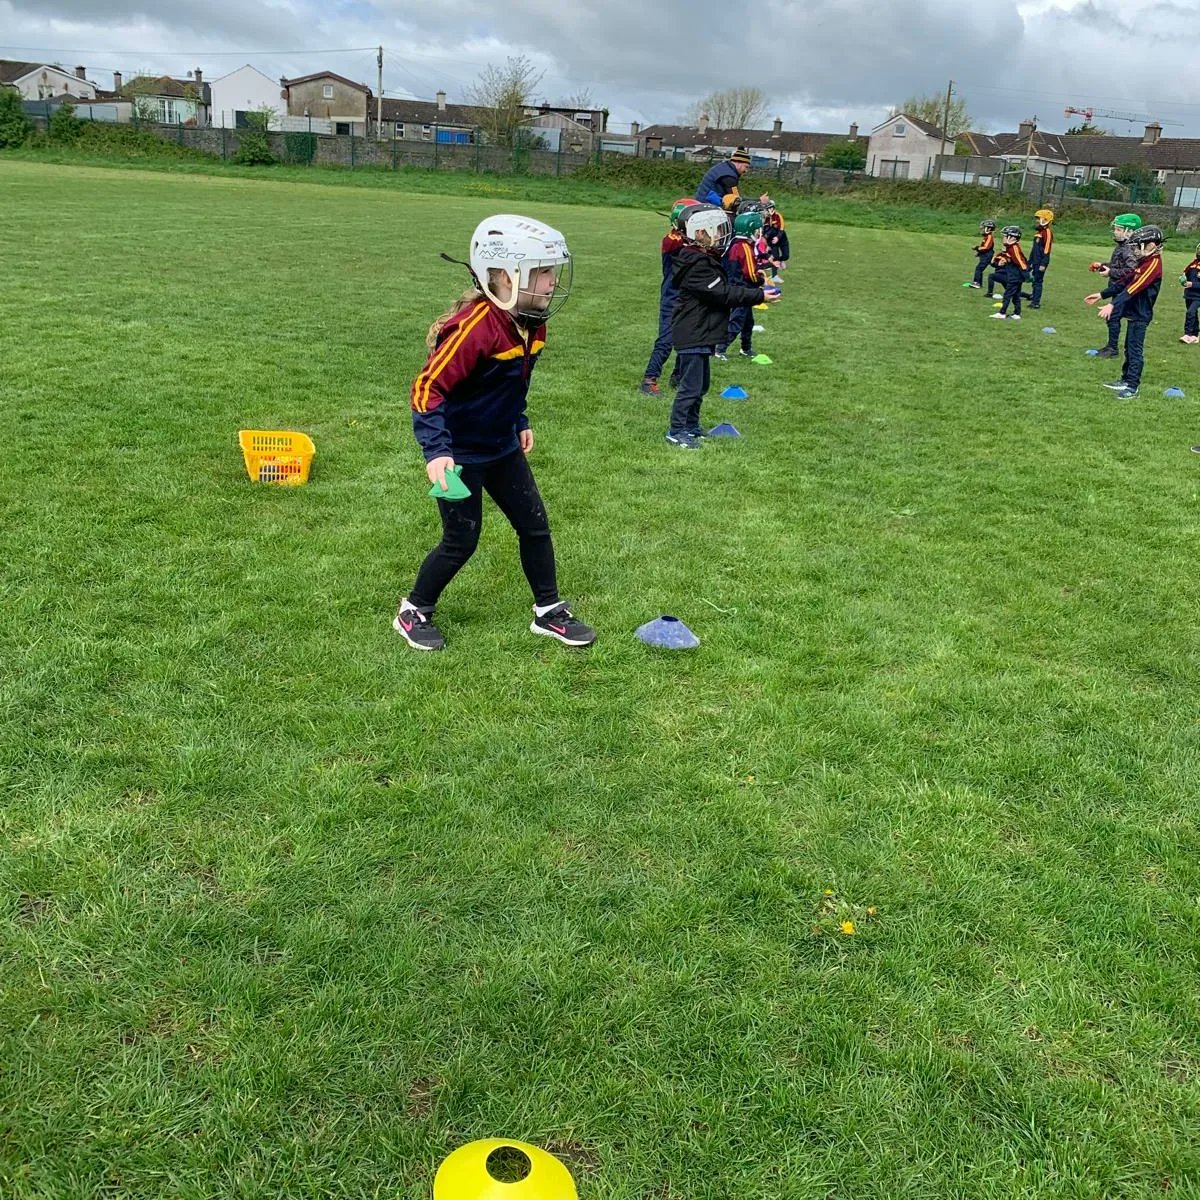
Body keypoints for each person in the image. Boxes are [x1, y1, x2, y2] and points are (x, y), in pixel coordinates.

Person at [394, 214, 596, 651]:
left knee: (535, 527)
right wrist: (436, 452)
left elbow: (512, 382)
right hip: (460, 455)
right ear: (503, 276)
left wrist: (518, 420)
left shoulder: (533, 320)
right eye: (542, 272)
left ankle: (548, 611)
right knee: (461, 540)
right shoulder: (474, 328)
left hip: (502, 448)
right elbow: (427, 390)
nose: (550, 283)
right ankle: (414, 610)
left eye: (551, 272)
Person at [666, 204, 777, 448]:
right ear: (700, 234)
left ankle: (691, 426)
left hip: (702, 332)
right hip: (693, 333)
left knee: (701, 385)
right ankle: (676, 430)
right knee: (691, 387)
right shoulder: (697, 264)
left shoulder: (705, 258)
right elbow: (723, 294)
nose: (720, 235)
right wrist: (758, 295)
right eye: (714, 231)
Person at [1086, 224, 1164, 400]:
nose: (1135, 250)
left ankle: (1133, 386)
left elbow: (1134, 288)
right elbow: (1125, 281)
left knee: (1135, 350)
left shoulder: (1153, 264)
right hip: (1133, 312)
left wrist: (1113, 305)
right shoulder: (1143, 263)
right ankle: (1125, 379)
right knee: (1129, 348)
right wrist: (1102, 294)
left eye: (1138, 246)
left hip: (1140, 315)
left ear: (1150, 245)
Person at [639, 198, 695, 395]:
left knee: (688, 338)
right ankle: (649, 379)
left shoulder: (688, 240)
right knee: (666, 339)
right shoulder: (673, 241)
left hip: (688, 297)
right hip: (673, 298)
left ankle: (678, 376)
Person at [1087, 213, 1142, 358]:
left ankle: (1113, 349)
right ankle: (1112, 347)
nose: (1115, 232)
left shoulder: (1129, 249)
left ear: (1129, 232)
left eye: (1118, 229)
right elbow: (1118, 265)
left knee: (1113, 316)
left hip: (1125, 290)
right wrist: (1102, 266)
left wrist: (1111, 272)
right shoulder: (1122, 247)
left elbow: (1130, 271)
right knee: (1112, 317)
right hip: (1118, 288)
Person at [716, 208, 767, 361]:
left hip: (735, 286)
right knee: (737, 320)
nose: (759, 232)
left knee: (748, 321)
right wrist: (761, 279)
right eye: (758, 229)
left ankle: (746, 348)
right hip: (742, 289)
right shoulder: (744, 247)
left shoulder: (734, 242)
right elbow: (750, 273)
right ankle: (720, 348)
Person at [694, 148, 770, 212]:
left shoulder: (725, 168)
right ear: (739, 163)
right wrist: (759, 201)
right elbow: (737, 200)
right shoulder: (729, 177)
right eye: (746, 167)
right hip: (708, 207)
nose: (746, 171)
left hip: (702, 203)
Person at [989, 226, 1029, 320]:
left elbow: (1020, 261)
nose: (1003, 238)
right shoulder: (1009, 248)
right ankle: (1017, 313)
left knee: (1008, 295)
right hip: (1015, 276)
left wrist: (1026, 274)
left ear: (1012, 238)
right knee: (1016, 295)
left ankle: (1002, 313)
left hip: (1015, 277)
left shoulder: (1014, 248)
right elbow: (1008, 258)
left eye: (1005, 236)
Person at [1024, 209, 1054, 307]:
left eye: (1038, 218)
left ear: (1045, 220)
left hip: (1040, 262)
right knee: (1033, 278)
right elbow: (1035, 250)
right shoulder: (1039, 232)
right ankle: (1033, 296)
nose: (1036, 220)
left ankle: (1036, 302)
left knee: (1038, 281)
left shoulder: (1047, 232)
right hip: (1035, 261)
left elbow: (1047, 249)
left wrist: (1043, 263)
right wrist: (1029, 262)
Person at [1179, 241, 1200, 344]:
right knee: (1193, 313)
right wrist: (1183, 279)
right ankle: (1195, 335)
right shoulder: (1193, 264)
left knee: (1190, 312)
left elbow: (1194, 282)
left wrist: (1193, 284)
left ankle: (1187, 334)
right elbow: (1185, 274)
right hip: (1189, 294)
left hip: (1198, 296)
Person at [970, 219, 995, 288]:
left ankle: (977, 283)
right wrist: (979, 253)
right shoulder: (986, 237)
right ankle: (979, 283)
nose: (983, 229)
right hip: (985, 255)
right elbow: (983, 247)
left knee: (979, 268)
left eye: (984, 228)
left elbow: (986, 247)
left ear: (989, 228)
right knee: (979, 268)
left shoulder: (989, 236)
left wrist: (976, 248)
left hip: (987, 256)